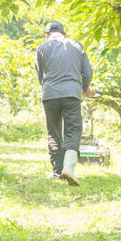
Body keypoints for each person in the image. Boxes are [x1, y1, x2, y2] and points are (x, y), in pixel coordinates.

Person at [35, 21, 93, 186]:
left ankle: (57, 173)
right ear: (64, 33)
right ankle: (69, 169)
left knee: (54, 133)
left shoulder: (41, 47)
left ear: (47, 35)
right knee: (73, 130)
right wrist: (85, 87)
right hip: (71, 94)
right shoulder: (77, 46)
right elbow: (87, 72)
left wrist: (50, 87)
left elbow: (40, 75)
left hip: (50, 94)